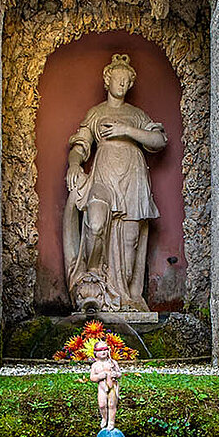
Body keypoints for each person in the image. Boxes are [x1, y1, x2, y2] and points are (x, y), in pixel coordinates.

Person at [63, 53, 167, 313]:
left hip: (133, 178)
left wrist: (126, 131)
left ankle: (125, 298)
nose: (121, 83)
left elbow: (159, 141)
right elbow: (80, 145)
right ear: (107, 80)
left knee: (130, 240)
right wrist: (74, 164)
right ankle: (94, 281)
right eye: (117, 78)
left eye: (126, 80)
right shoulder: (96, 113)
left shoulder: (136, 115)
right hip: (104, 176)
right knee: (96, 223)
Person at [88, 339, 122, 430]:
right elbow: (92, 378)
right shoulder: (95, 365)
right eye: (100, 350)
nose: (103, 352)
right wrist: (99, 376)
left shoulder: (113, 363)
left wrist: (116, 374)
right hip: (102, 389)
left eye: (105, 349)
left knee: (112, 405)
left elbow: (119, 374)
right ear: (95, 353)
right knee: (102, 405)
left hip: (112, 387)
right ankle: (104, 417)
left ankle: (111, 421)